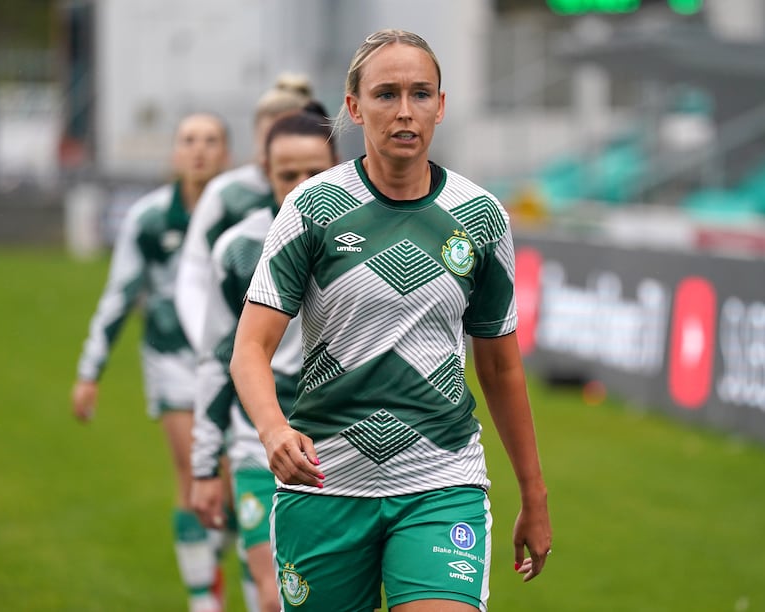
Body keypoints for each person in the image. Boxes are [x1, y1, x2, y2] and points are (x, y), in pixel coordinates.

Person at [231, 29, 552, 611]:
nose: (405, 111)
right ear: (354, 108)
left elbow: (502, 368)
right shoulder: (311, 209)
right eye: (386, 94)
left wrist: (534, 493)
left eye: (421, 94)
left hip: (441, 480)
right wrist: (275, 430)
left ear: (441, 105)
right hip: (325, 485)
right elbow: (250, 347)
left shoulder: (480, 217)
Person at [72, 112, 231, 612]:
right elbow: (119, 296)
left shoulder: (245, 214)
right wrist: (89, 371)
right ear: (175, 153)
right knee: (191, 470)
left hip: (232, 363)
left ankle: (215, 552)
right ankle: (203, 597)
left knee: (227, 485)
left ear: (227, 153)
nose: (199, 150)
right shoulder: (149, 218)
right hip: (172, 361)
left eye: (210, 140)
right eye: (188, 140)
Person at [190, 103, 339, 612]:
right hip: (259, 446)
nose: (300, 185)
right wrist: (206, 464)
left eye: (313, 173)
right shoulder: (237, 248)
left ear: (338, 167)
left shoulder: (363, 242)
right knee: (276, 598)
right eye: (286, 174)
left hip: (341, 443)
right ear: (265, 174)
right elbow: (216, 358)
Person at [175, 73, 314, 352]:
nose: (278, 147)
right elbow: (193, 273)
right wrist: (215, 346)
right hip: (243, 349)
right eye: (270, 137)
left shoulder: (334, 189)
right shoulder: (226, 194)